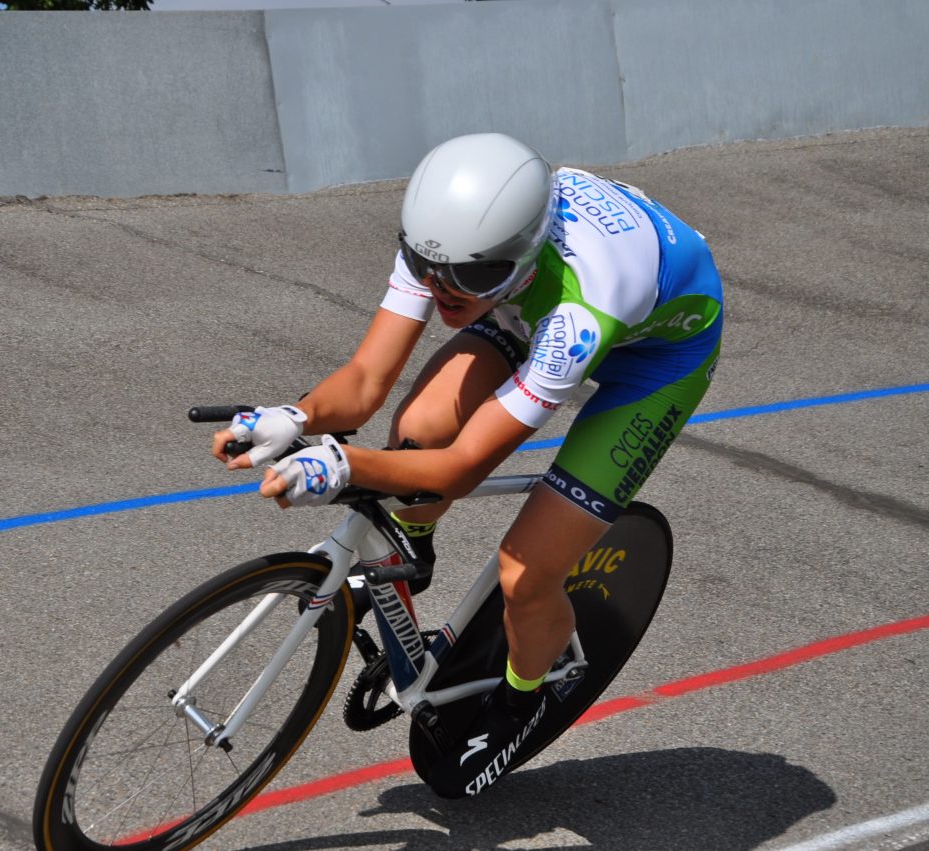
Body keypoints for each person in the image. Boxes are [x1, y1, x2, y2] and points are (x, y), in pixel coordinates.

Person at [211, 132, 723, 795]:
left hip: (657, 356)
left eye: (470, 276)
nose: (442, 290)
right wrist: (300, 416)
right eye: (426, 267)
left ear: (525, 257)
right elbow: (366, 381)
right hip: (525, 306)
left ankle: (521, 699)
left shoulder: (576, 313)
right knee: (418, 428)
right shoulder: (448, 249)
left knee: (525, 570)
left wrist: (343, 463)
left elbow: (462, 467)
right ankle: (412, 547)